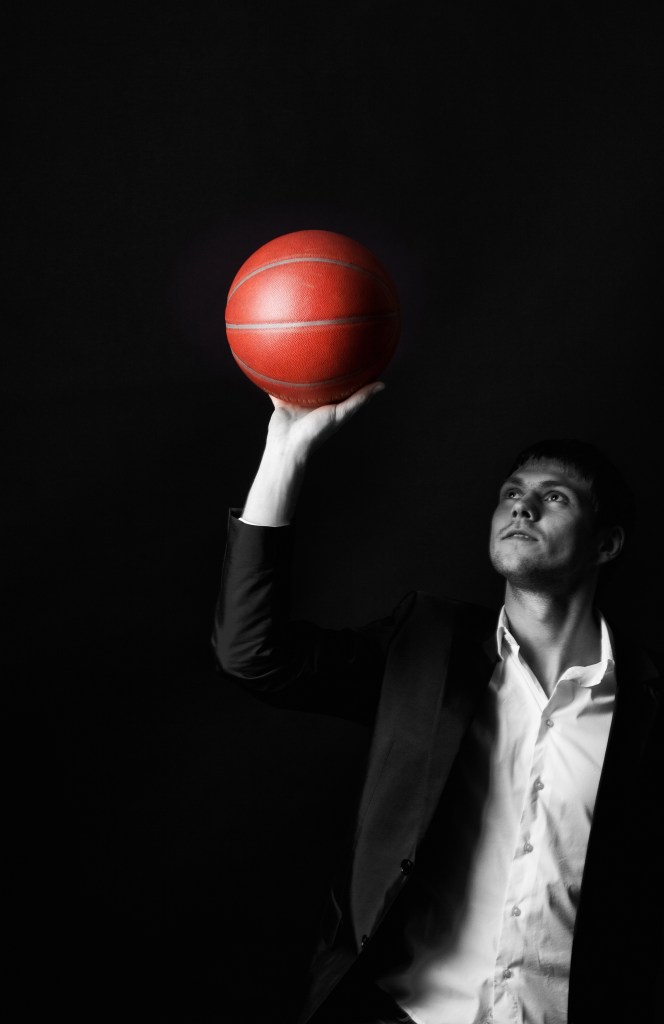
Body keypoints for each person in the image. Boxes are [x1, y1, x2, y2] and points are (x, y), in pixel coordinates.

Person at [213, 384, 663, 1024]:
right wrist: (285, 454)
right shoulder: (425, 647)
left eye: (555, 497)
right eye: (512, 493)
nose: (523, 506)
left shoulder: (645, 705)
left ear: (607, 543)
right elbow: (251, 652)